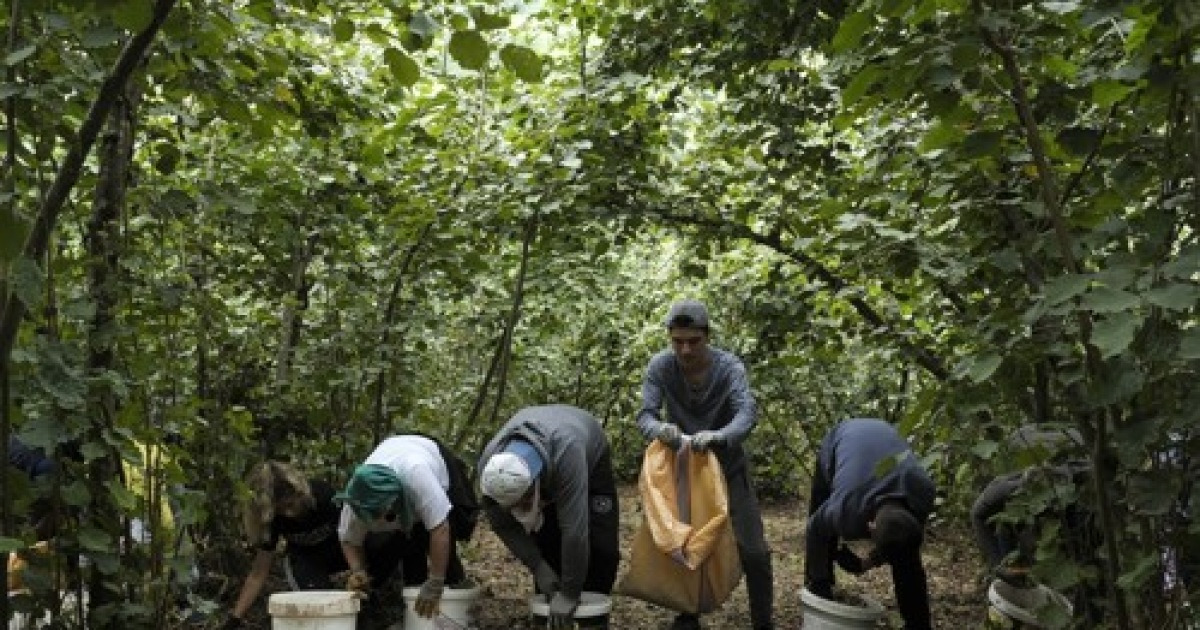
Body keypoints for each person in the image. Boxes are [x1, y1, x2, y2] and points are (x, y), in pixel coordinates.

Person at [637, 299, 774, 630]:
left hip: (728, 468)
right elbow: (646, 414)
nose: (685, 350)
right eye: (678, 341)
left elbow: (746, 413)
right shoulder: (661, 367)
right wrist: (661, 430)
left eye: (693, 341)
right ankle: (688, 612)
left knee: (754, 551)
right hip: (683, 472)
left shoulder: (729, 368)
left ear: (707, 336)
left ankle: (763, 622)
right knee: (686, 543)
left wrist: (719, 436)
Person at [478, 404, 619, 630]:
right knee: (549, 545)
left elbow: (575, 531)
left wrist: (571, 593)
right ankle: (550, 612)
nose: (518, 509)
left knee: (602, 549)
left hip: (587, 456)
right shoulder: (490, 469)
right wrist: (538, 566)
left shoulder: (567, 453)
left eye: (522, 501)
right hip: (547, 465)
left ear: (534, 483)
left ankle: (592, 618)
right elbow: (502, 524)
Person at [224, 461, 404, 628]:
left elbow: (355, 535)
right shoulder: (274, 520)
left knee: (386, 545)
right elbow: (258, 573)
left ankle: (372, 602)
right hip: (308, 559)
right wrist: (235, 618)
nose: (288, 513)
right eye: (281, 509)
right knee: (316, 605)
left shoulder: (324, 496)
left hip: (343, 549)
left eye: (291, 504)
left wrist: (360, 574)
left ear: (299, 492)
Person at [805, 418, 936, 630]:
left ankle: (917, 624)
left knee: (907, 559)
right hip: (842, 437)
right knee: (822, 532)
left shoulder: (923, 492)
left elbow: (905, 543)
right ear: (871, 524)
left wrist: (866, 563)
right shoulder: (845, 508)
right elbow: (814, 529)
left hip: (884, 434)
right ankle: (819, 589)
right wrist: (819, 577)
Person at [335, 434, 475, 625]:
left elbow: (440, 528)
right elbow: (348, 539)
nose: (375, 520)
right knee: (404, 546)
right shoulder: (357, 497)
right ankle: (413, 604)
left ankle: (455, 587)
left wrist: (435, 582)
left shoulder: (418, 475)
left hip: (430, 453)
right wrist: (358, 571)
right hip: (393, 455)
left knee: (453, 529)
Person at [970, 425, 1090, 584]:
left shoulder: (1078, 477)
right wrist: (997, 566)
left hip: (1070, 500)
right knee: (1005, 531)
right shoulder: (1006, 488)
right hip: (1018, 510)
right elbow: (977, 514)